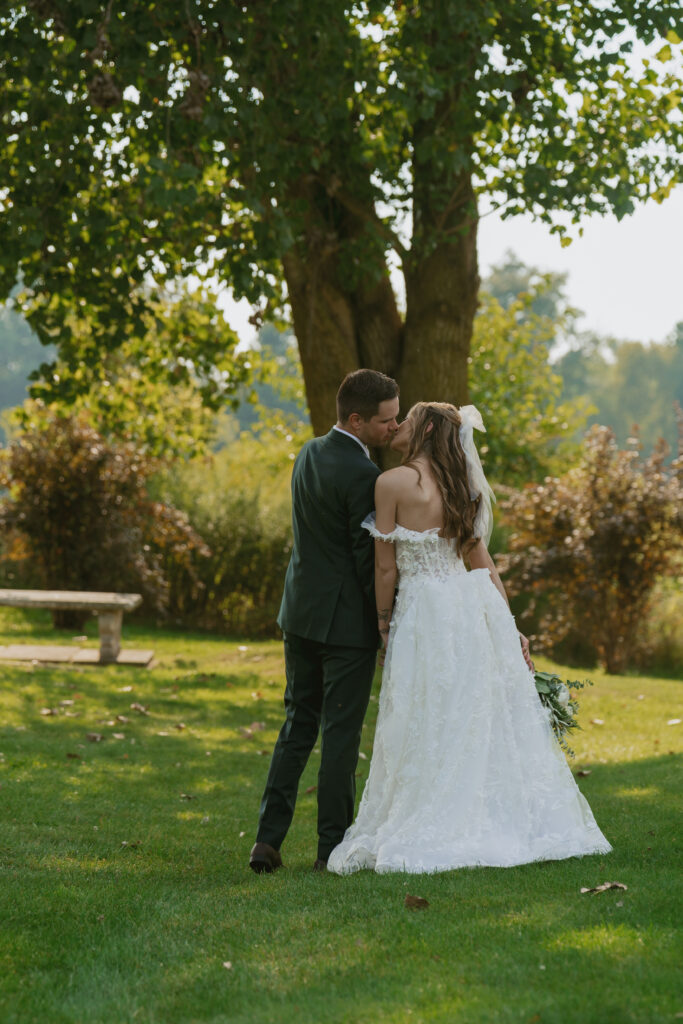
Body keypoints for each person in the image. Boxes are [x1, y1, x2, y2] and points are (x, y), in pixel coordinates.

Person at [327, 402, 611, 874]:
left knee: (424, 711)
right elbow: (484, 565)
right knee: (468, 713)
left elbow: (385, 565)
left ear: (429, 427)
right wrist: (508, 622)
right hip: (468, 607)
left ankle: (434, 813)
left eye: (410, 417)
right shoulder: (461, 486)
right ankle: (480, 813)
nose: (399, 425)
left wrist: (382, 623)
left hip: (423, 614)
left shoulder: (390, 484)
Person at [249, 369, 400, 874]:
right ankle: (329, 850)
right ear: (356, 420)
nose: (392, 428)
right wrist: (386, 619)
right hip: (345, 626)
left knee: (296, 725)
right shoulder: (365, 477)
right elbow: (366, 561)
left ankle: (267, 842)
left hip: (300, 612)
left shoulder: (308, 452)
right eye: (385, 420)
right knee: (340, 735)